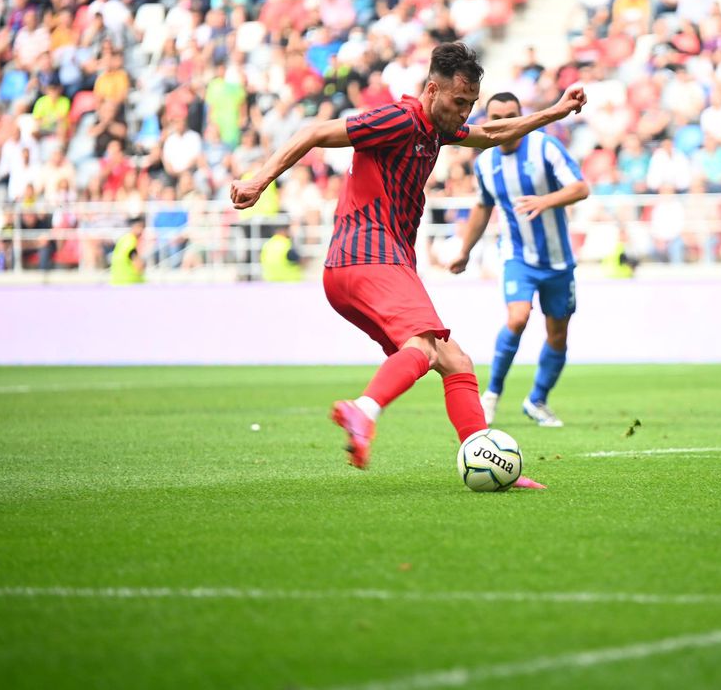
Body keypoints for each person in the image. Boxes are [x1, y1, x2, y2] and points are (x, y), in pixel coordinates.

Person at [230, 42, 586, 488]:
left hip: (357, 267)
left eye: (470, 104)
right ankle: (364, 411)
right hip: (369, 254)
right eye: (459, 103)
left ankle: (488, 459)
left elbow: (494, 134)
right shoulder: (399, 119)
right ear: (432, 89)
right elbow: (316, 131)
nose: (464, 114)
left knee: (455, 361)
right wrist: (260, 179)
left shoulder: (439, 130)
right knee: (423, 343)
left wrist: (554, 112)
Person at [448, 92, 591, 428]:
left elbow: (581, 188)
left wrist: (546, 201)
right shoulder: (484, 161)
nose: (505, 123)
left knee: (558, 336)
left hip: (558, 260)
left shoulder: (545, 148)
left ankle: (537, 400)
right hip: (517, 257)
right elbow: (483, 206)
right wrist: (465, 252)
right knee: (517, 317)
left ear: (522, 115)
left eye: (511, 115)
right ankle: (491, 396)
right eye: (496, 117)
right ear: (486, 120)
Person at [110, 215, 146, 285]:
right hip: (129, 281)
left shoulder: (124, 239)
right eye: (140, 227)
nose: (141, 231)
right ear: (134, 227)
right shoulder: (131, 241)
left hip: (116, 280)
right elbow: (137, 264)